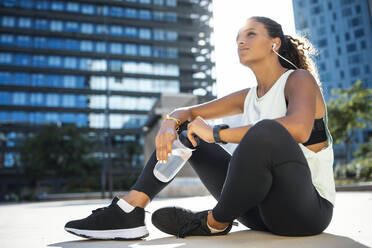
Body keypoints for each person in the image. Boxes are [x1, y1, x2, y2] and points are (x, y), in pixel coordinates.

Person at [64, 16, 335, 240]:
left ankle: (212, 222)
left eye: (251, 34)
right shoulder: (250, 95)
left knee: (265, 131)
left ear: (274, 43)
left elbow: (298, 128)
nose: (241, 41)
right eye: (239, 36)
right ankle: (129, 211)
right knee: (189, 133)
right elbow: (187, 112)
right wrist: (170, 124)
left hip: (305, 212)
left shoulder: (299, 80)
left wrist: (217, 134)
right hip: (258, 212)